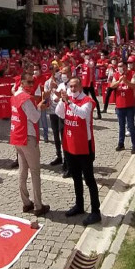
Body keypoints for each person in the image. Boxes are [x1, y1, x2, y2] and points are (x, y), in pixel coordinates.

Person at [57, 77, 100, 225]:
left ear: (81, 87)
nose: (73, 89)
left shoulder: (88, 101)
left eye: (75, 86)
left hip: (84, 146)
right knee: (76, 177)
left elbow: (82, 114)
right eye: (70, 87)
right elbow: (59, 113)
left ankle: (96, 212)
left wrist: (69, 102)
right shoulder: (68, 100)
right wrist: (62, 100)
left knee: (89, 179)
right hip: (70, 145)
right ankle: (79, 205)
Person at [11, 73, 50, 216]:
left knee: (22, 171)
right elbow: (34, 117)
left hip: (17, 136)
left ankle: (26, 203)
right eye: (28, 82)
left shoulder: (15, 95)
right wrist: (39, 107)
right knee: (34, 171)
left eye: (32, 82)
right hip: (27, 136)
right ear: (21, 82)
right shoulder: (25, 98)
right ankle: (38, 206)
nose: (31, 85)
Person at [45, 65, 68, 175]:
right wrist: (49, 89)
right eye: (54, 70)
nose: (56, 72)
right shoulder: (47, 82)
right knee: (55, 134)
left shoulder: (62, 81)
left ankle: (66, 160)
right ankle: (59, 155)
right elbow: (45, 95)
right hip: (52, 111)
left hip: (61, 111)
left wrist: (57, 86)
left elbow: (64, 93)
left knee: (63, 135)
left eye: (57, 70)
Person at [111, 60, 135, 153]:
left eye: (121, 66)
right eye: (118, 66)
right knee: (121, 126)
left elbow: (134, 86)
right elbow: (112, 85)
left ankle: (134, 145)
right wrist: (119, 81)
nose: (120, 68)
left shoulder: (132, 73)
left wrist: (126, 81)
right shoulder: (116, 74)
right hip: (119, 105)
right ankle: (121, 143)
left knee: (131, 125)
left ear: (125, 67)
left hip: (129, 105)